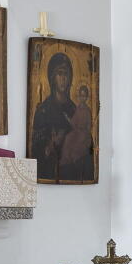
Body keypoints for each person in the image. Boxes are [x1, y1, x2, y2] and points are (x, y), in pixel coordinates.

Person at [29, 49, 96, 183]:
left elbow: (88, 143)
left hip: (75, 170)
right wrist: (51, 145)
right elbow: (36, 150)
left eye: (66, 74)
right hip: (50, 172)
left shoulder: (75, 109)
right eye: (60, 73)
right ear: (52, 77)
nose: (63, 78)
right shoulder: (43, 110)